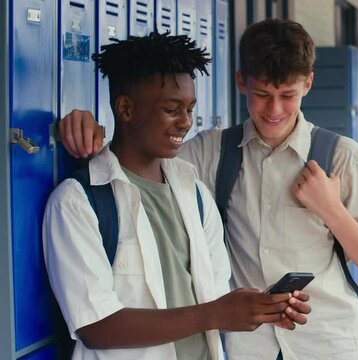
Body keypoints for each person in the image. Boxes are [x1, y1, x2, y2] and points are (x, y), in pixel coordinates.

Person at [58, 19, 358, 359]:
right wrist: (88, 125)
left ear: (308, 84)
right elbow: (142, 152)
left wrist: (331, 210)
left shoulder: (343, 157)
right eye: (262, 94)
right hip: (250, 346)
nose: (274, 110)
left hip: (329, 340)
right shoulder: (211, 152)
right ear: (240, 82)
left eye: (288, 96)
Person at [44, 31, 310, 360]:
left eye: (190, 109)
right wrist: (216, 313)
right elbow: (95, 327)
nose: (186, 123)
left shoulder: (194, 194)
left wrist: (258, 310)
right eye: (172, 109)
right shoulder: (78, 202)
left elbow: (213, 298)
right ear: (125, 108)